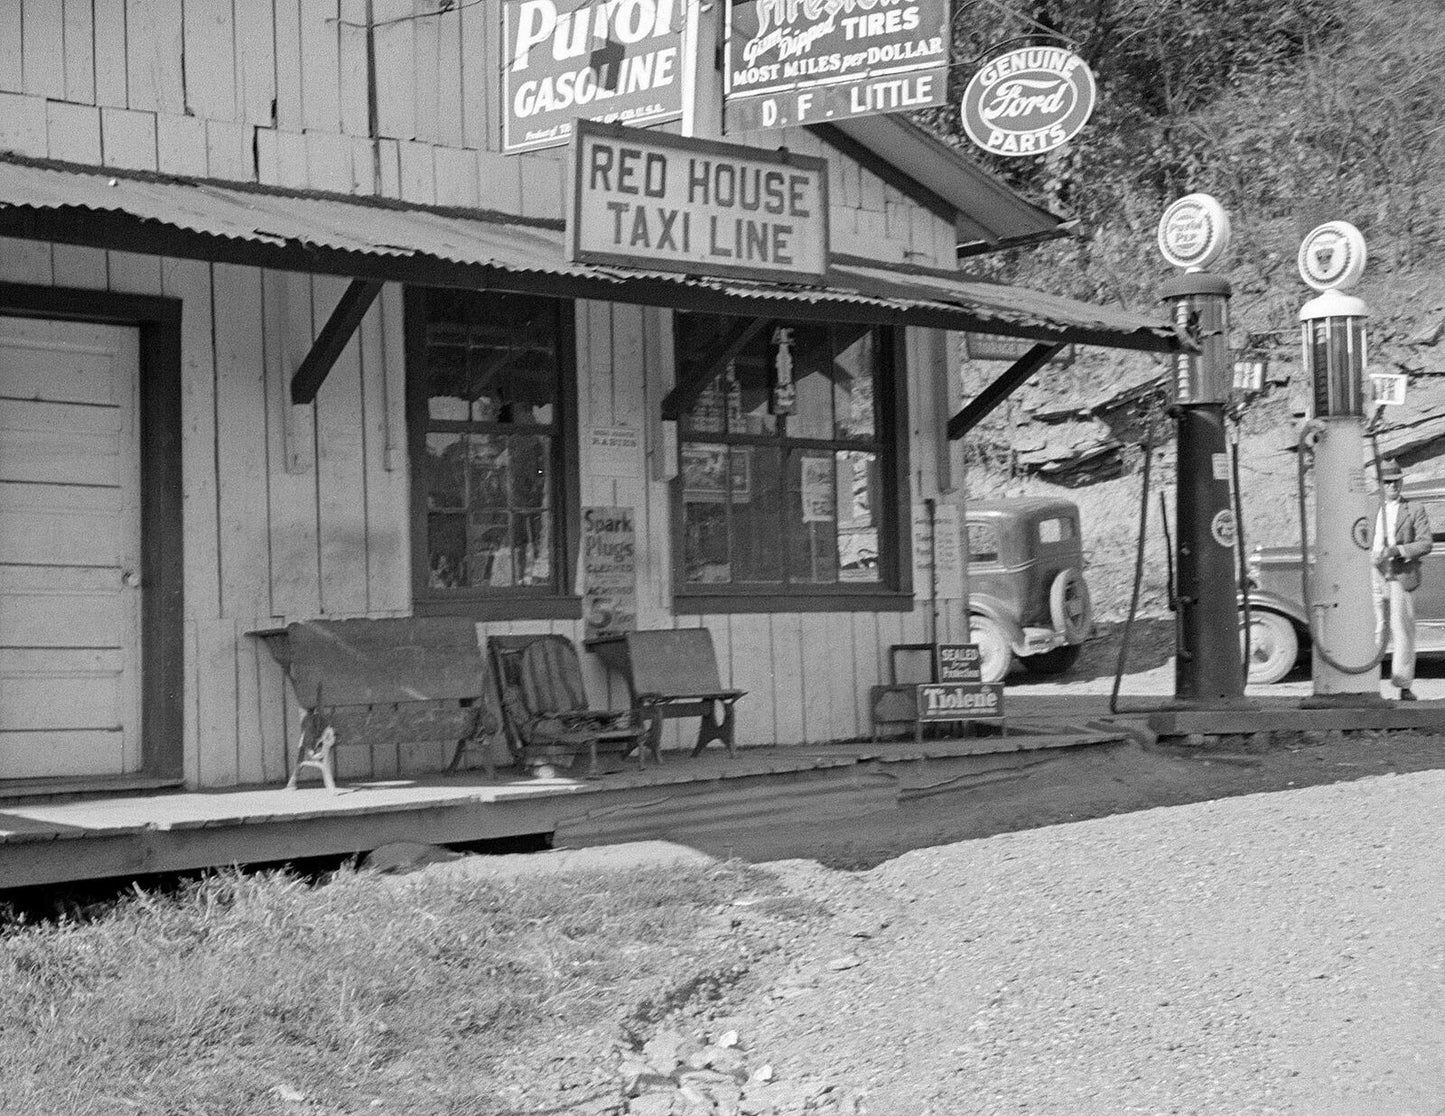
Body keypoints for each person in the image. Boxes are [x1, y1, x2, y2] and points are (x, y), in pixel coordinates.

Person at [1372, 459, 1432, 700]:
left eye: (1396, 481)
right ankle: (1367, 684)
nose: (1392, 486)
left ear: (1402, 482)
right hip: (1373, 572)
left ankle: (1404, 684)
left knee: (1402, 629)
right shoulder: (1370, 505)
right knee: (1375, 628)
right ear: (1381, 484)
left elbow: (1426, 543)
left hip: (1400, 573)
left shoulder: (1414, 508)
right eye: (1387, 482)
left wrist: (1397, 550)